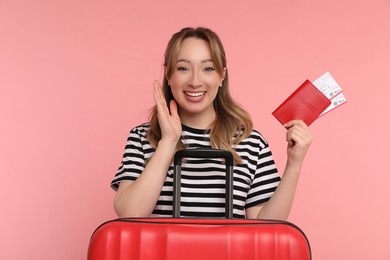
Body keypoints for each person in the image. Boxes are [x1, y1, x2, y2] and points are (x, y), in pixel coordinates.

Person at [111, 27, 312, 220]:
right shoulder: (142, 138)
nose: (195, 81)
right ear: (168, 74)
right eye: (183, 68)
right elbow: (130, 214)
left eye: (208, 68)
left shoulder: (251, 142)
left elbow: (265, 227)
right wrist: (168, 141)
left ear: (222, 75)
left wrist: (294, 164)